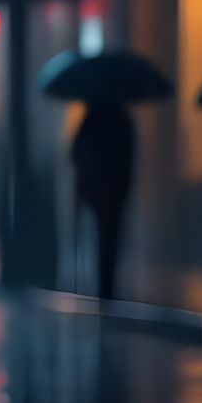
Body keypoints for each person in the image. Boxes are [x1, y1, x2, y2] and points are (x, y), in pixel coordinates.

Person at [70, 101, 134, 299]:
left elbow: (73, 152)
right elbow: (128, 157)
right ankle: (107, 287)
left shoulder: (93, 117)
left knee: (100, 237)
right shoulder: (123, 120)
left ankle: (102, 287)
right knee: (110, 239)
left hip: (97, 190)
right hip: (113, 191)